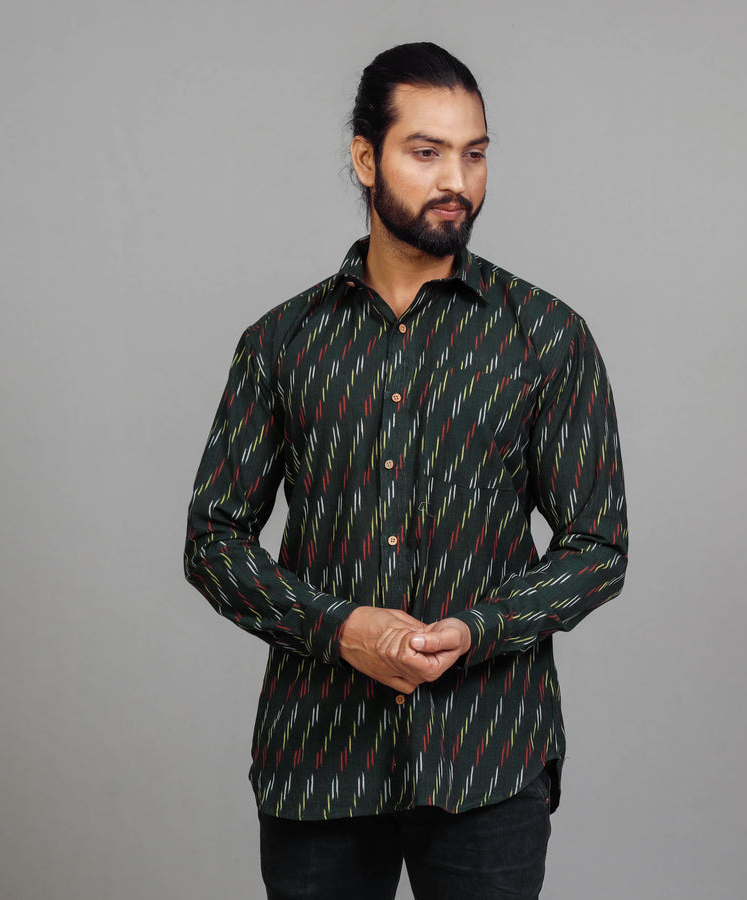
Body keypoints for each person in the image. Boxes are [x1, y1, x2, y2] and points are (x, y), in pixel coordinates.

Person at [184, 41, 628, 900]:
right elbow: (213, 539)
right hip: (318, 760)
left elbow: (598, 546)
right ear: (366, 158)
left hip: (490, 758)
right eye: (426, 152)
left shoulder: (546, 337)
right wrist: (336, 628)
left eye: (475, 153)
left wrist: (480, 629)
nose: (456, 180)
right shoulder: (282, 343)